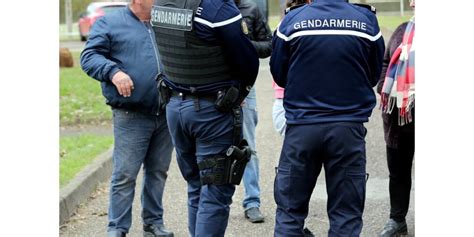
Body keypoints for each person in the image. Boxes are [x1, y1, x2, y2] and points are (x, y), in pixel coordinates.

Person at [270, 0, 385, 235]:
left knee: (289, 213)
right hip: (347, 129)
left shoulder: (292, 20)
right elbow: (372, 74)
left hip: (302, 128)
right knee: (346, 216)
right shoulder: (366, 22)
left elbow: (279, 74)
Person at [150, 0, 259, 236]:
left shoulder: (161, 4)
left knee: (196, 186)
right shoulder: (217, 8)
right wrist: (239, 93)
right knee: (215, 192)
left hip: (176, 108)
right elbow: (247, 61)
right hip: (211, 112)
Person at [80, 0, 174, 236]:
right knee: (125, 174)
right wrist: (114, 72)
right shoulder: (109, 23)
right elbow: (89, 56)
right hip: (131, 114)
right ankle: (117, 229)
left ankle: (153, 224)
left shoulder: (166, 22)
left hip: (166, 112)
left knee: (158, 171)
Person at [377, 0, 415, 236]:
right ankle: (397, 219)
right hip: (398, 117)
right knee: (398, 171)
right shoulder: (402, 30)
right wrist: (383, 86)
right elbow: (384, 62)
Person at [234, 0, 272, 223]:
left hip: (244, 89)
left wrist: (243, 45)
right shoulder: (207, 8)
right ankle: (215, 202)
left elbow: (268, 46)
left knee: (247, 146)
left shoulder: (251, 9)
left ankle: (252, 202)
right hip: (211, 88)